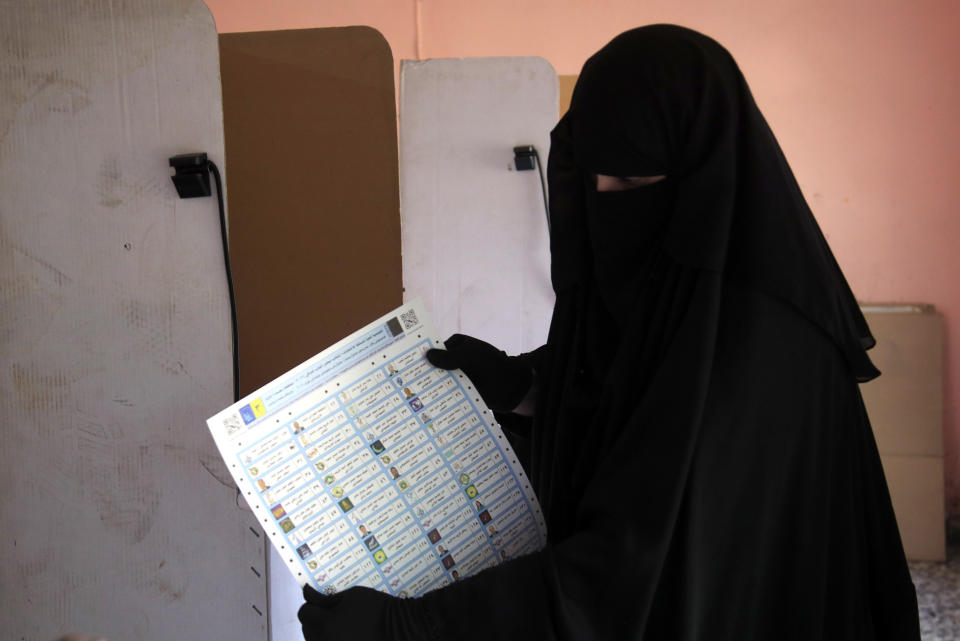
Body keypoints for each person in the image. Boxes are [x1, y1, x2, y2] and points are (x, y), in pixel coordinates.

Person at [298, 24, 920, 640]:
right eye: (590, 176)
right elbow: (642, 428)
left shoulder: (762, 346)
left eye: (629, 182)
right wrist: (532, 392)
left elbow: (631, 573)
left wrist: (409, 627)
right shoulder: (680, 306)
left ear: (700, 181)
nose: (602, 201)